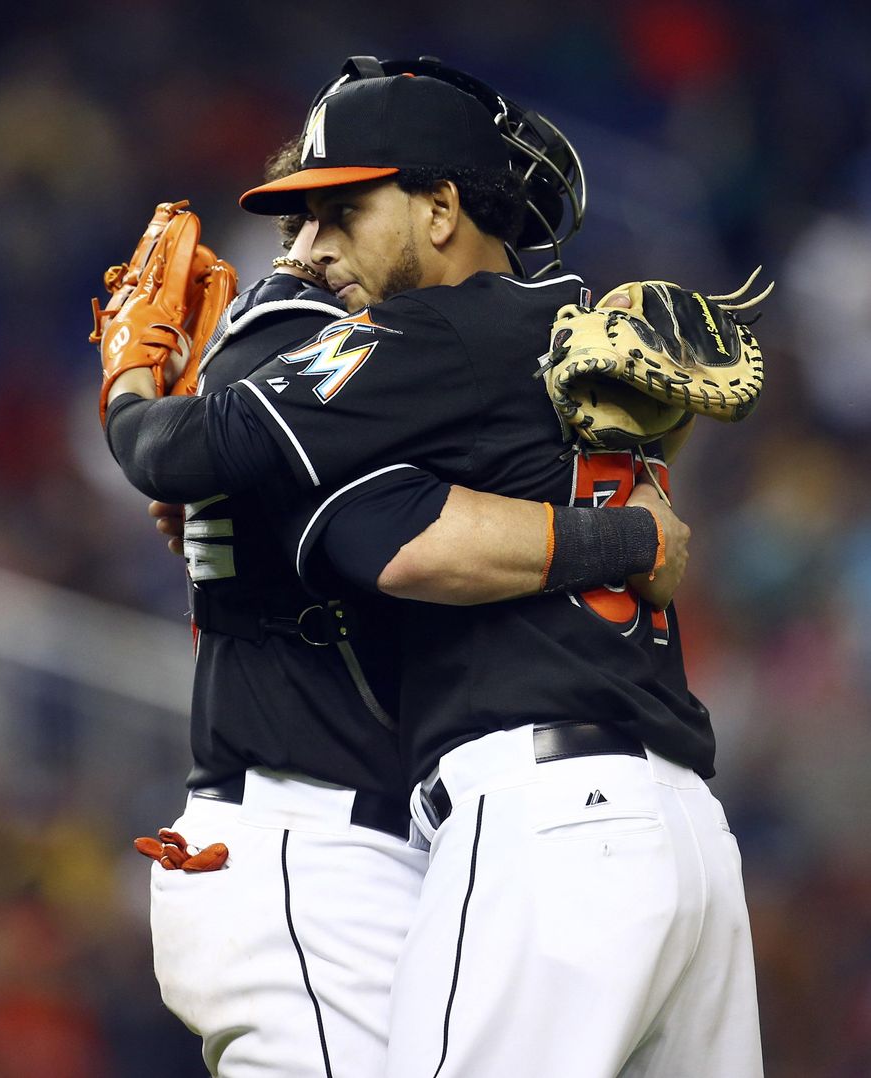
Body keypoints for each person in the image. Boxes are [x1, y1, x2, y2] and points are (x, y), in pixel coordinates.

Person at [99, 70, 692, 1078]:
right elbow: (379, 525)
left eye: (339, 211)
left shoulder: (381, 364)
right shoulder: (298, 337)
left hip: (366, 847)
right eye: (313, 218)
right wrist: (623, 543)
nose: (320, 244)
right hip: (307, 846)